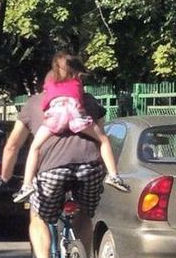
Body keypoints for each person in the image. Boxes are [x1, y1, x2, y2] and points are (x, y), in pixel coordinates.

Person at [1, 83, 128, 258]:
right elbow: (102, 140)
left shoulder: (34, 103)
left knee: (38, 217)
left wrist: (5, 177)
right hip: (89, 170)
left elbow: (13, 146)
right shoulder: (89, 102)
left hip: (51, 172)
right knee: (84, 214)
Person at [13, 52, 129, 203]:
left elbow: (45, 102)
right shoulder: (77, 80)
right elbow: (80, 96)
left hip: (56, 116)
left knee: (35, 147)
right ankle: (113, 176)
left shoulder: (50, 81)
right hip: (75, 114)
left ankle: (27, 185)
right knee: (103, 140)